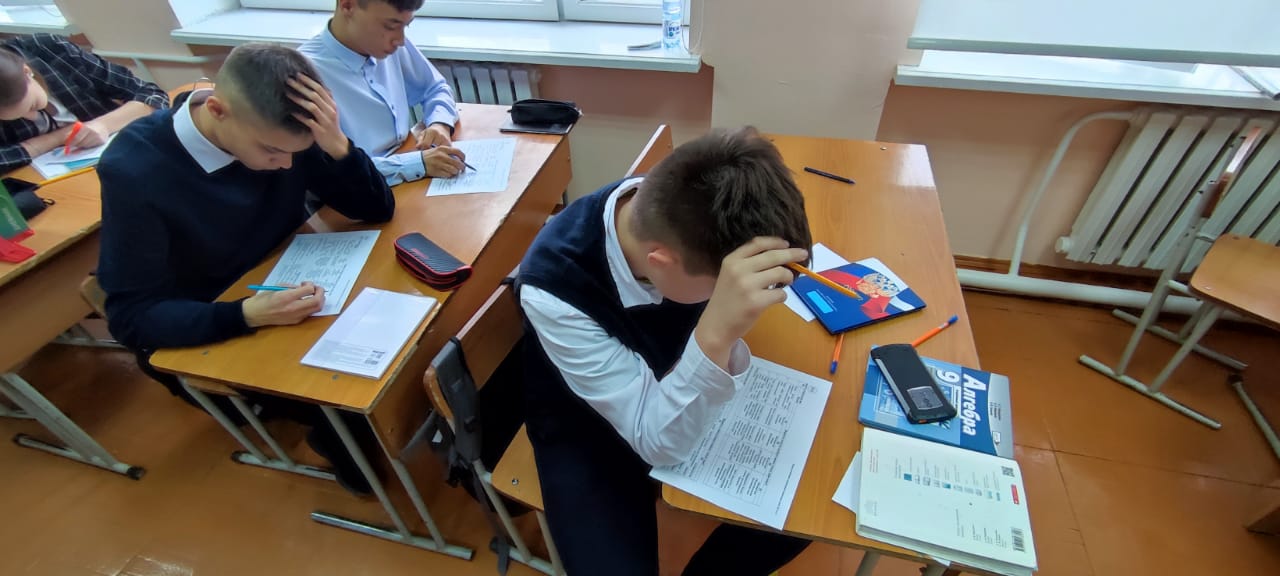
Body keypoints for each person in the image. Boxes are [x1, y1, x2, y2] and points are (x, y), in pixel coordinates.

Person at [96, 43, 395, 495]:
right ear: (217, 110)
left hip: (286, 275)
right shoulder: (135, 171)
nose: (287, 164)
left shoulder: (281, 131)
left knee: (392, 339)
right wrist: (245, 315)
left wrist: (337, 147)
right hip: (215, 313)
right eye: (273, 151)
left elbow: (375, 208)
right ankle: (337, 445)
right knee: (344, 401)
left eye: (298, 151)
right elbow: (130, 316)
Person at [516, 127, 815, 574]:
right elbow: (655, 440)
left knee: (803, 503)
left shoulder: (678, 210)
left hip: (673, 369)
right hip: (586, 422)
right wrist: (714, 335)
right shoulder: (553, 289)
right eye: (721, 288)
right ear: (661, 263)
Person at [299, 0, 465, 186]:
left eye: (405, 26)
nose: (400, 40)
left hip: (409, 166)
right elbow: (329, 173)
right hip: (365, 190)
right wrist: (416, 164)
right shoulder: (304, 75)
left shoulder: (384, 44)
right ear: (348, 6)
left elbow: (435, 88)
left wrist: (439, 124)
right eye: (390, 26)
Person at [0, 33, 169, 172]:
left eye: (32, 106)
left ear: (27, 72)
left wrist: (102, 125)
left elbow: (151, 95)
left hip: (132, 158)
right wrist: (58, 137)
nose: (31, 117)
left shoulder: (48, 49)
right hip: (57, 183)